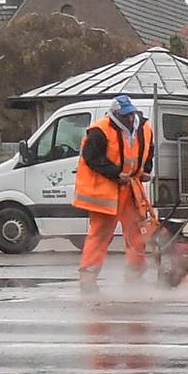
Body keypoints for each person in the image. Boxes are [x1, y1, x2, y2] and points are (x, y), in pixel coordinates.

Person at [75, 94, 154, 291]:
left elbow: (148, 151)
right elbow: (91, 158)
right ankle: (88, 278)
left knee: (137, 232)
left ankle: (135, 274)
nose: (128, 118)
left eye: (130, 114)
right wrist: (115, 174)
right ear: (114, 114)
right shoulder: (99, 131)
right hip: (106, 192)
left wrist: (144, 171)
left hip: (131, 188)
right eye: (124, 115)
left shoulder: (144, 127)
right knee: (100, 235)